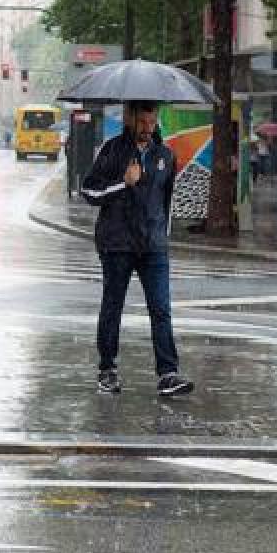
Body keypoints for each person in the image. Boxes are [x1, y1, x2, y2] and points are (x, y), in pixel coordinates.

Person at [81, 100, 193, 397]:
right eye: (142, 122)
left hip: (153, 245)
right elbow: (89, 191)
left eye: (152, 122)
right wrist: (123, 183)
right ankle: (107, 369)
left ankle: (168, 373)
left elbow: (165, 202)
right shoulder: (112, 150)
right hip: (117, 243)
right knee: (113, 307)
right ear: (130, 119)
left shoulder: (165, 155)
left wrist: (162, 236)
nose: (148, 128)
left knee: (161, 308)